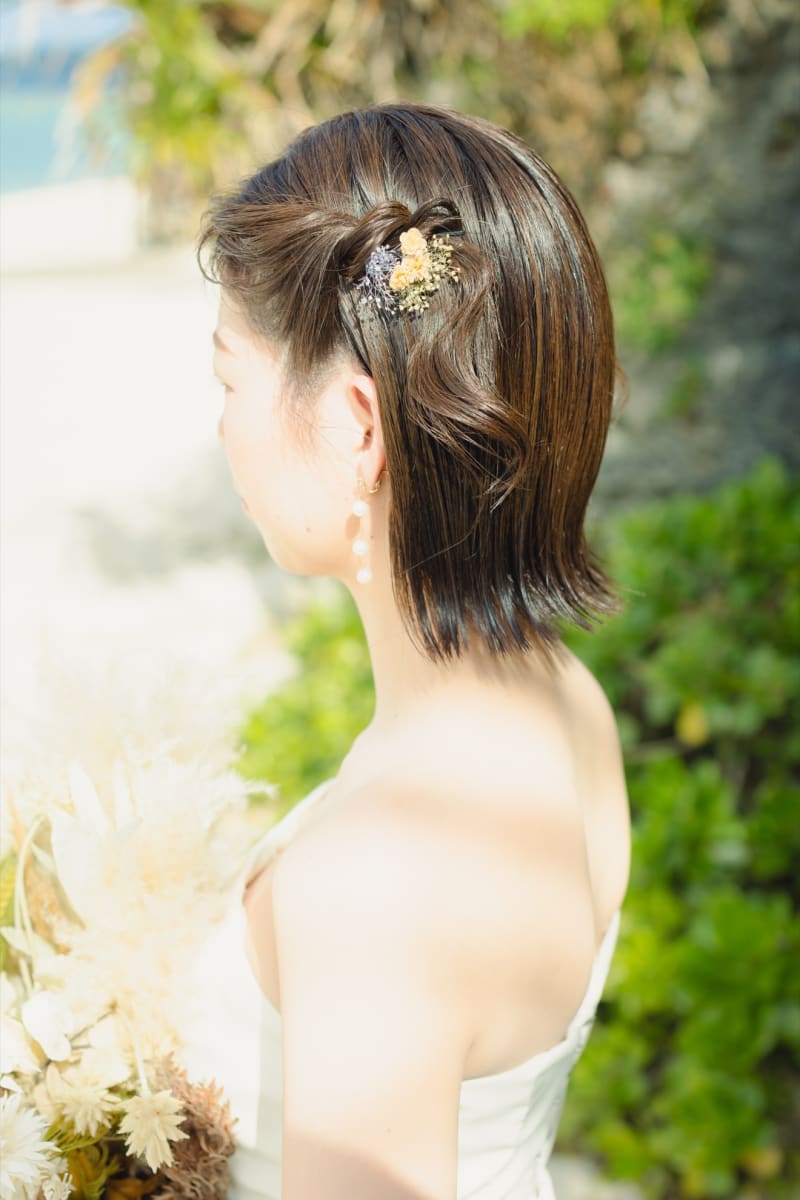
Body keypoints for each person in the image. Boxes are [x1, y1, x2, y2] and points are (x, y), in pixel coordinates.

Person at [199, 101, 631, 1200]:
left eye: (228, 381)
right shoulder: (565, 698)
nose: (222, 429)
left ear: (357, 427)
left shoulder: (371, 887)